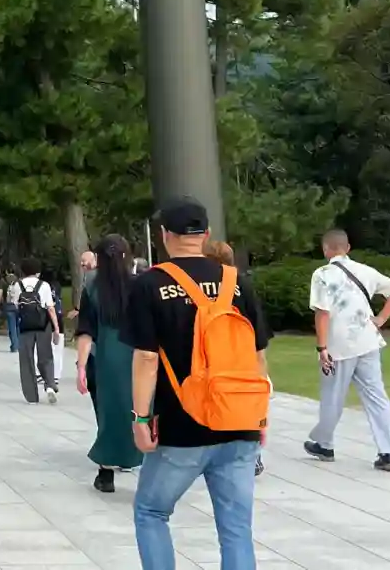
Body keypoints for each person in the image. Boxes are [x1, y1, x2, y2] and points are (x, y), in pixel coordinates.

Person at [125, 199, 271, 570]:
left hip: (182, 426)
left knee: (151, 511)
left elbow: (146, 359)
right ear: (206, 234)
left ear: (164, 235)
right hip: (239, 421)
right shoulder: (237, 283)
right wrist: (260, 415)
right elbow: (258, 356)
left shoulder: (151, 284)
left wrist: (140, 418)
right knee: (237, 530)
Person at [304, 229, 390, 472]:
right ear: (348, 248)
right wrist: (380, 319)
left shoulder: (322, 274)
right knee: (376, 396)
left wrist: (322, 346)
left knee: (333, 396)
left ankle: (325, 444)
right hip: (368, 339)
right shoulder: (365, 270)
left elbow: (322, 312)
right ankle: (388, 451)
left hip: (338, 344)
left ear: (325, 249)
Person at [76, 235, 140, 493]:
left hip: (106, 359)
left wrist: (81, 367)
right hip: (138, 357)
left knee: (108, 412)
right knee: (139, 409)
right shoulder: (141, 285)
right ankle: (140, 460)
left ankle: (106, 473)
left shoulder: (92, 286)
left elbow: (85, 330)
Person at [204, 239, 269, 478]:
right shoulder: (242, 285)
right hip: (243, 359)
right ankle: (252, 454)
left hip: (212, 359)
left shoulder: (197, 285)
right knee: (245, 406)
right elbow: (259, 338)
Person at [14, 257, 61, 403]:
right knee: (45, 357)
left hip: (25, 326)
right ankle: (50, 385)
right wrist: (56, 328)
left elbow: (16, 306)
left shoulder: (17, 285)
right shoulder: (44, 285)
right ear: (38, 271)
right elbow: (50, 308)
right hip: (42, 326)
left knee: (26, 359)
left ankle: (31, 396)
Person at [0, 267, 20, 353]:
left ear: (6, 271)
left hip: (9, 306)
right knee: (18, 326)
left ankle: (14, 346)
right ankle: (19, 344)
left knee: (12, 327)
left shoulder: (3, 281)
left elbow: (0, 293)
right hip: (19, 306)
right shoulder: (19, 281)